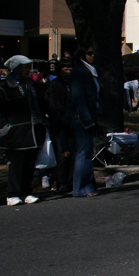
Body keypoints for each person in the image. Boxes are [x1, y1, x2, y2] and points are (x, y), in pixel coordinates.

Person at [0, 55, 47, 206]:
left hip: (33, 130)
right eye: (25, 68)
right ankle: (13, 193)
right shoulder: (4, 87)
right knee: (17, 165)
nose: (28, 71)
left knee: (30, 164)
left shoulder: (31, 85)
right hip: (15, 133)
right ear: (16, 69)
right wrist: (4, 128)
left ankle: (26, 192)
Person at [66, 48, 101, 197]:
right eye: (89, 53)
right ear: (81, 55)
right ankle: (81, 187)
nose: (93, 55)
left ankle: (88, 184)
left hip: (88, 116)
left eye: (93, 52)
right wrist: (87, 120)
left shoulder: (90, 70)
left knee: (86, 152)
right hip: (80, 118)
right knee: (83, 153)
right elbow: (78, 97)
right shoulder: (79, 72)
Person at [46, 58, 74, 193]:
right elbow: (54, 105)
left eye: (70, 69)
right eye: (66, 69)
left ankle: (71, 180)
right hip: (59, 122)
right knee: (63, 153)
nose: (68, 72)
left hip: (73, 122)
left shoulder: (74, 84)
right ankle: (61, 181)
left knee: (73, 152)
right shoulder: (55, 84)